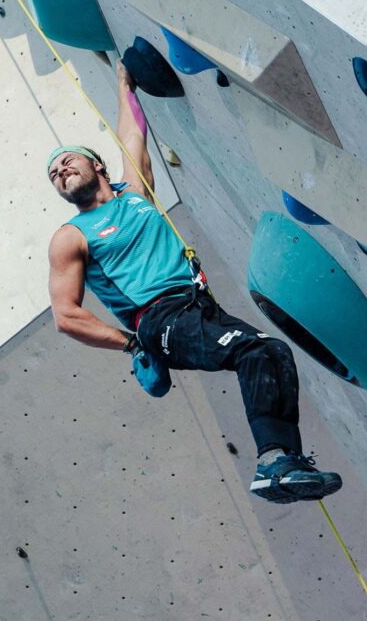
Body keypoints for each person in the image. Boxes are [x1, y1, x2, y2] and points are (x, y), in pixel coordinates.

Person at [45, 61, 342, 504]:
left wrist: (125, 81)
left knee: (272, 352)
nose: (60, 171)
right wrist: (132, 345)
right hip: (159, 319)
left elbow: (132, 133)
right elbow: (66, 316)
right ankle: (271, 464)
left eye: (66, 161)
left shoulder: (137, 193)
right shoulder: (71, 237)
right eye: (54, 175)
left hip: (199, 306)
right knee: (255, 350)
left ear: (98, 165)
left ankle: (283, 462)